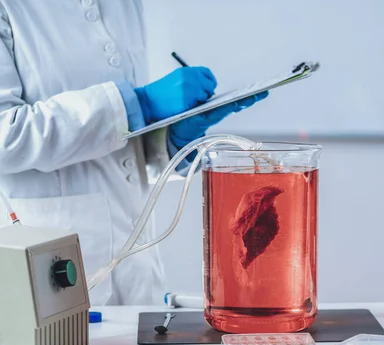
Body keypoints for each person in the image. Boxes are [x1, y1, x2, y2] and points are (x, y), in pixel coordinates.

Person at [0, 0, 267, 305]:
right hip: (48, 267)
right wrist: (139, 104)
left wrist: (169, 140)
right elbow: (5, 135)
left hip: (136, 270)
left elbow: (118, 149)